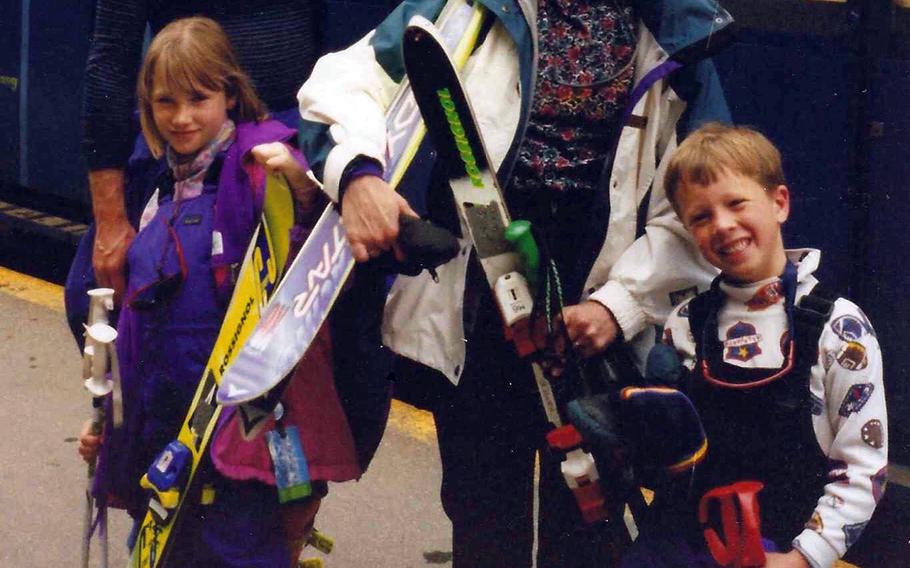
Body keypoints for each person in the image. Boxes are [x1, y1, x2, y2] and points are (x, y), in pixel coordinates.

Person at [296, 0, 734, 564]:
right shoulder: (464, 7)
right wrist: (356, 176)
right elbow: (342, 84)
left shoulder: (681, 35)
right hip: (482, 299)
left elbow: (700, 208)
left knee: (586, 525)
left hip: (596, 314)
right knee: (483, 517)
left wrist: (619, 304)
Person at [76, 17, 361, 566]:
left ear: (230, 93)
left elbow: (313, 261)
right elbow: (133, 337)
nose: (181, 118)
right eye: (165, 102)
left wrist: (302, 187)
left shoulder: (261, 171)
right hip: (165, 442)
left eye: (198, 98)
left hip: (242, 446)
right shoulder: (155, 190)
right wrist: (108, 429)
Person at [621, 123, 888, 568]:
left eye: (736, 203)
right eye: (701, 217)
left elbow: (863, 468)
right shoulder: (686, 322)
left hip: (779, 553)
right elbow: (670, 457)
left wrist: (804, 558)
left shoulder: (839, 328)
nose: (722, 225)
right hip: (676, 546)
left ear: (779, 203)